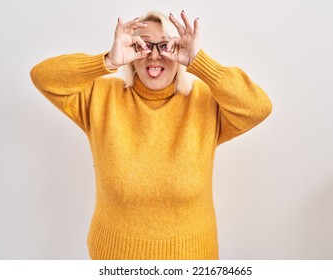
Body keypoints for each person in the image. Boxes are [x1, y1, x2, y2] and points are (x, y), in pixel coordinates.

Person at [30, 10, 272, 260]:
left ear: (179, 51)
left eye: (165, 46)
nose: (154, 56)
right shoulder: (101, 98)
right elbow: (43, 76)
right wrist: (108, 61)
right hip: (114, 259)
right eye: (144, 46)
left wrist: (199, 61)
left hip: (191, 260)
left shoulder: (204, 102)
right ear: (131, 53)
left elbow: (258, 107)